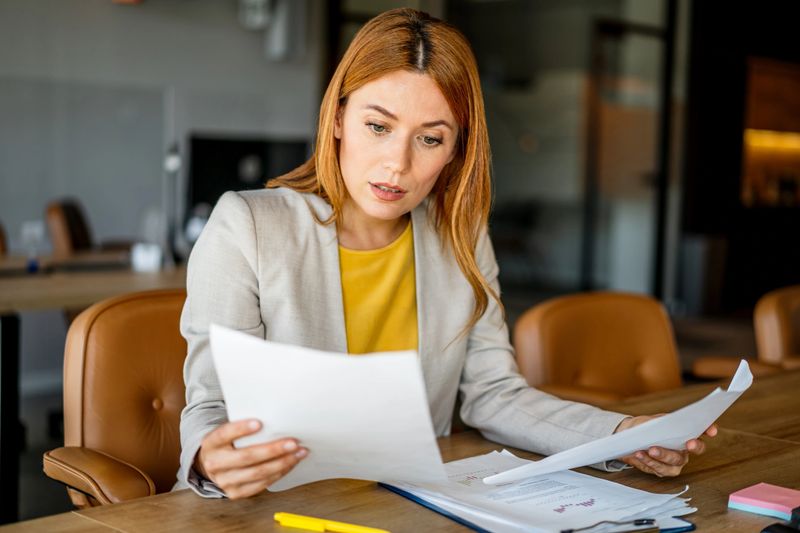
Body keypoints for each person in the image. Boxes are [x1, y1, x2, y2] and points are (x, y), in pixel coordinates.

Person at [175, 8, 716, 499]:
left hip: (409, 502)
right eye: (378, 126)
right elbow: (211, 403)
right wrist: (209, 459)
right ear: (337, 119)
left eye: (429, 139)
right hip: (271, 508)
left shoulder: (459, 233)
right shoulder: (246, 225)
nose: (397, 164)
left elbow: (495, 395)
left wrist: (617, 434)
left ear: (456, 148)